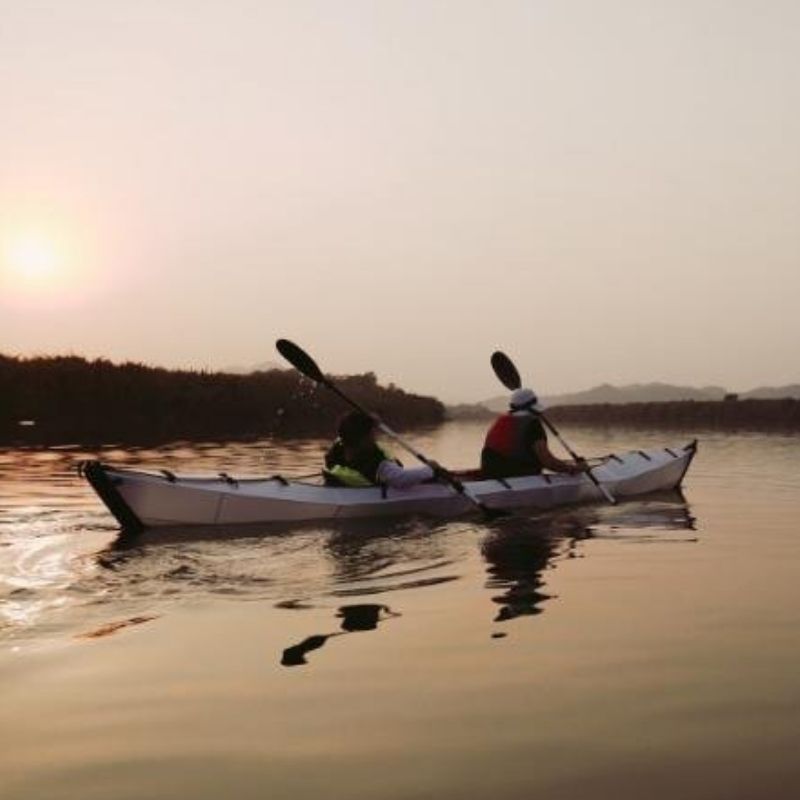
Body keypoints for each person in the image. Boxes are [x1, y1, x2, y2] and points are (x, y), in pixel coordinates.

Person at [481, 388, 588, 479]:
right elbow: (548, 462)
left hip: (489, 474)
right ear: (534, 407)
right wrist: (574, 469)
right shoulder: (533, 425)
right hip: (516, 477)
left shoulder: (501, 420)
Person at [325, 411, 440, 489]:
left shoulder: (337, 450)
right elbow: (401, 478)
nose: (374, 437)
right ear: (364, 439)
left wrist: (368, 419)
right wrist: (430, 469)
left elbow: (347, 428)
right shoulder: (378, 466)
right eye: (372, 434)